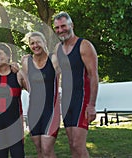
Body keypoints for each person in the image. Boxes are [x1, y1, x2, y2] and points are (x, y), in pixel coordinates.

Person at [53, 11, 99, 158]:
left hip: (82, 99)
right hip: (67, 101)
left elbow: (93, 76)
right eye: (57, 28)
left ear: (71, 25)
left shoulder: (84, 45)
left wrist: (91, 105)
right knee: (72, 144)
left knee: (78, 145)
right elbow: (55, 74)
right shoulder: (58, 49)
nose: (60, 30)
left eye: (63, 26)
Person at [21, 31, 61, 158]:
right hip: (34, 111)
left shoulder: (54, 59)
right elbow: (28, 84)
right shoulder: (26, 61)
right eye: (32, 43)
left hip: (51, 110)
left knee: (47, 149)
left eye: (38, 42)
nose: (35, 45)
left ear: (44, 42)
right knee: (39, 149)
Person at [0, 43, 27, 158]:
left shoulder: (18, 74)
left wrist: (24, 67)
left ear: (8, 56)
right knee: (1, 155)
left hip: (14, 123)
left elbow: (33, 90)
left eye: (0, 53)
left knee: (18, 154)